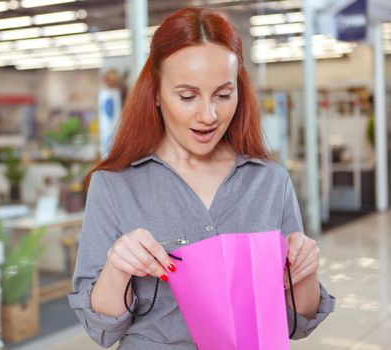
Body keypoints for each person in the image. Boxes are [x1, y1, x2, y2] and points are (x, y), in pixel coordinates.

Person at [68, 7, 335, 349]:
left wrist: (305, 270)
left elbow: (296, 323)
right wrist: (118, 267)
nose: (208, 115)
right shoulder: (115, 185)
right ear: (156, 95)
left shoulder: (270, 182)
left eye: (223, 95)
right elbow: (100, 330)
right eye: (187, 96)